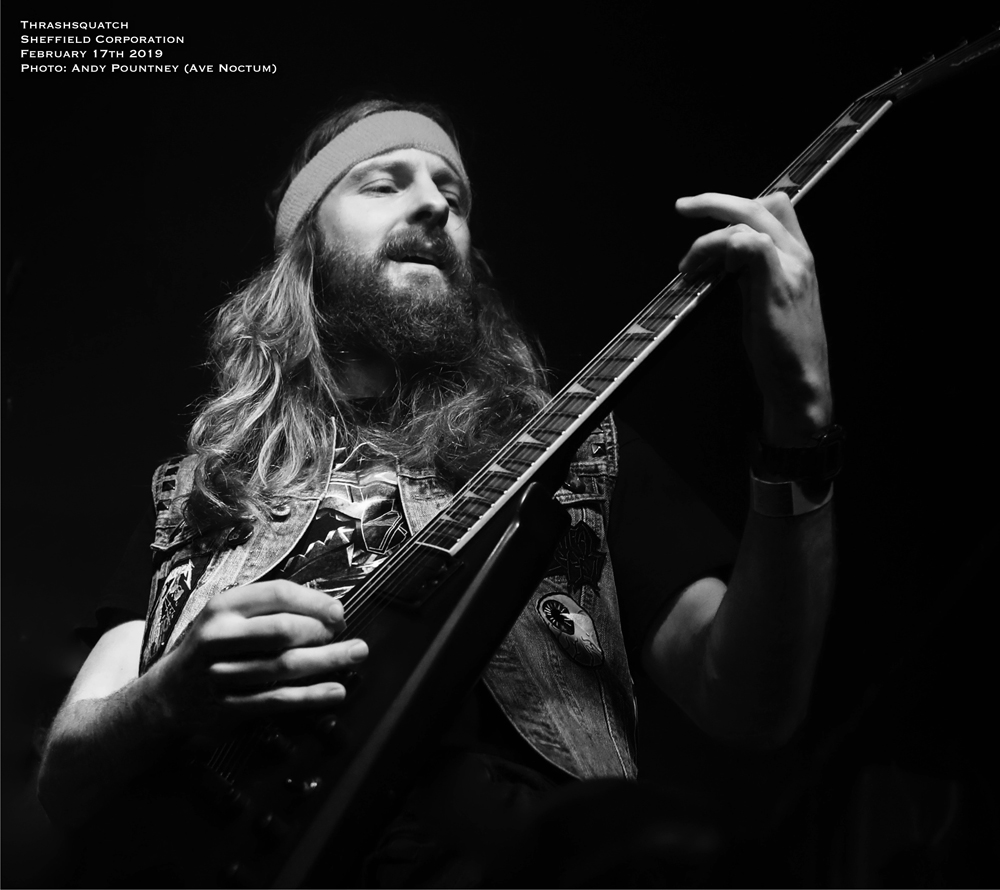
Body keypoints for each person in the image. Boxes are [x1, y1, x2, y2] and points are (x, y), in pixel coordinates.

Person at [38, 98, 838, 886]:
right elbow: (65, 782)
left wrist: (799, 417)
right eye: (384, 183)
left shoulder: (580, 449)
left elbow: (749, 703)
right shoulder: (202, 489)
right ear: (305, 244)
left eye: (451, 194)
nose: (434, 205)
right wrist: (169, 696)